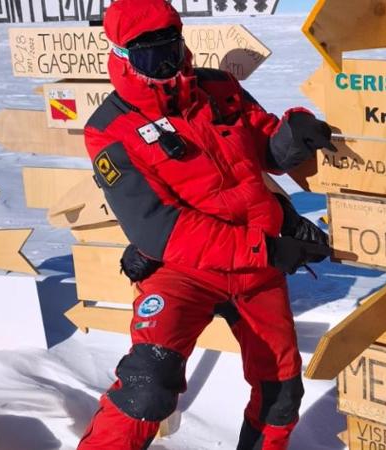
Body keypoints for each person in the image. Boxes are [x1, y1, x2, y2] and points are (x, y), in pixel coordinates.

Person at [77, 1, 334, 449]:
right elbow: (160, 230)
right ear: (121, 57)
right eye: (148, 56)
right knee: (149, 384)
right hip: (184, 270)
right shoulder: (109, 130)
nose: (165, 65)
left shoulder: (219, 89)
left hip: (256, 268)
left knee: (282, 392)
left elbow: (267, 145)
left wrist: (294, 133)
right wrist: (267, 250)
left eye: (171, 49)